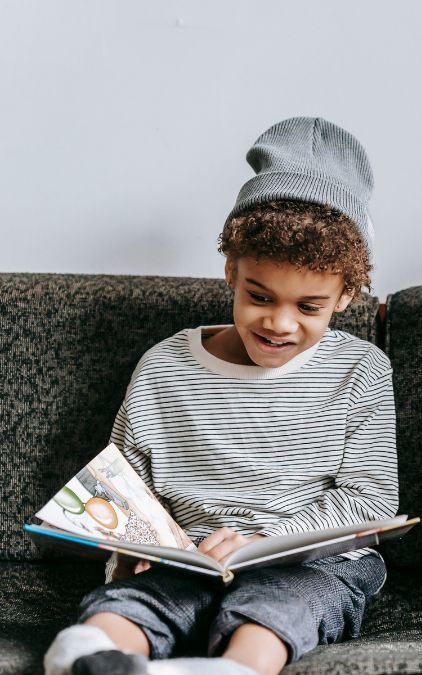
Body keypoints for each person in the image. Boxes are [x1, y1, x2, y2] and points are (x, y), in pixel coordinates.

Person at [45, 117, 398, 675]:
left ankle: (233, 669)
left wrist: (265, 539)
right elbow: (125, 481)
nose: (280, 323)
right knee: (139, 601)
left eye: (309, 307)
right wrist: (133, 542)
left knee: (280, 607)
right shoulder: (166, 363)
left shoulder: (360, 367)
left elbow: (370, 500)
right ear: (231, 270)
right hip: (188, 553)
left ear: (347, 295)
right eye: (260, 296)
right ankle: (92, 653)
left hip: (311, 559)